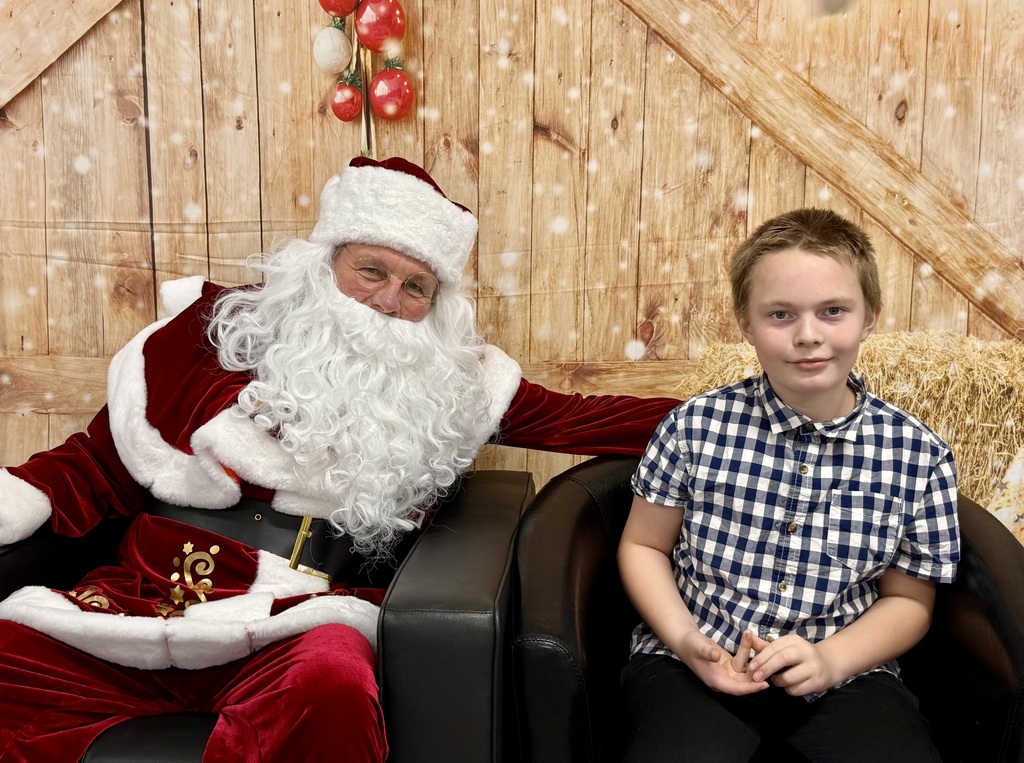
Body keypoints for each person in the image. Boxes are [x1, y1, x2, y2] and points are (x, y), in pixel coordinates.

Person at [0, 156, 680, 762]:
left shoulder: (454, 385)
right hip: (144, 599)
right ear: (324, 266)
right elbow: (92, 465)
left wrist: (753, 404)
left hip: (298, 619)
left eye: (416, 287)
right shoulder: (210, 337)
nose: (389, 300)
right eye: (372, 270)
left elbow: (588, 418)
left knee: (334, 683)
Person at [617, 208, 959, 762]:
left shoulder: (919, 455)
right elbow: (643, 545)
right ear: (745, 323)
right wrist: (685, 640)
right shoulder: (693, 427)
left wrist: (832, 660)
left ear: (870, 316)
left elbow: (909, 600)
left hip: (848, 672)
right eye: (780, 314)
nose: (808, 335)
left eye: (833, 311)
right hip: (693, 660)